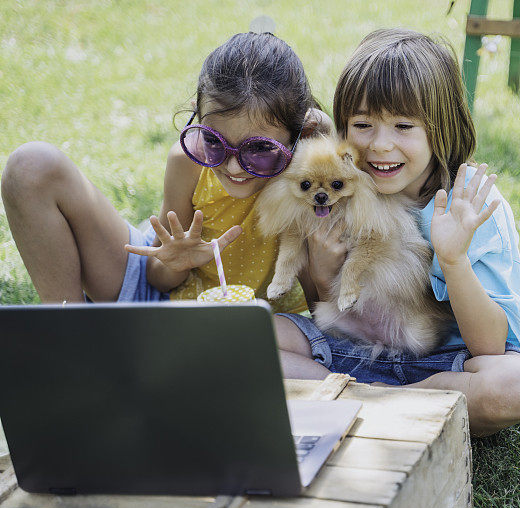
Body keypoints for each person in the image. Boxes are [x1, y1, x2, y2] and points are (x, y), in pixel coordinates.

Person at [274, 29, 520, 436]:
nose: (381, 145)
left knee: (515, 386)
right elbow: (325, 313)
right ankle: (383, 404)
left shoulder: (471, 204)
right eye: (363, 125)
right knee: (248, 338)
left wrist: (453, 261)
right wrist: (324, 269)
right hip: (352, 356)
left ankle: (363, 404)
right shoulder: (333, 189)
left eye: (403, 125)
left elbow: (490, 346)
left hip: (448, 366)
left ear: (440, 129)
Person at [1, 32, 329, 318]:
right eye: (213, 141)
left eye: (258, 148)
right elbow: (157, 277)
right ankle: (69, 339)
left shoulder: (306, 176)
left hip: (258, 323)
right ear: (196, 115)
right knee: (30, 166)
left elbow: (322, 303)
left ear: (300, 135)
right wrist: (176, 261)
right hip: (159, 299)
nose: (232, 167)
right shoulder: (189, 160)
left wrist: (322, 132)